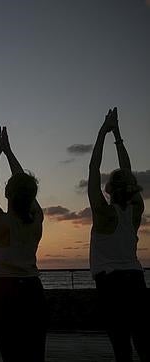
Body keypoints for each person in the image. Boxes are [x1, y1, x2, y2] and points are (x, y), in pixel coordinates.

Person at [88, 108, 148, 362]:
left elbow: (93, 168)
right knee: (144, 343)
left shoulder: (103, 213)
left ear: (109, 189)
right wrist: (118, 135)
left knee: (121, 348)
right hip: (135, 279)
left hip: (111, 284)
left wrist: (103, 132)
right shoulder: (136, 211)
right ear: (131, 187)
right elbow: (127, 170)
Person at [0, 127, 46, 362]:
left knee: (11, 357)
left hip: (3, 292)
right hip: (32, 290)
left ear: (8, 193)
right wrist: (9, 153)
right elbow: (24, 186)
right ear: (31, 196)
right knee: (35, 356)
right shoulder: (36, 218)